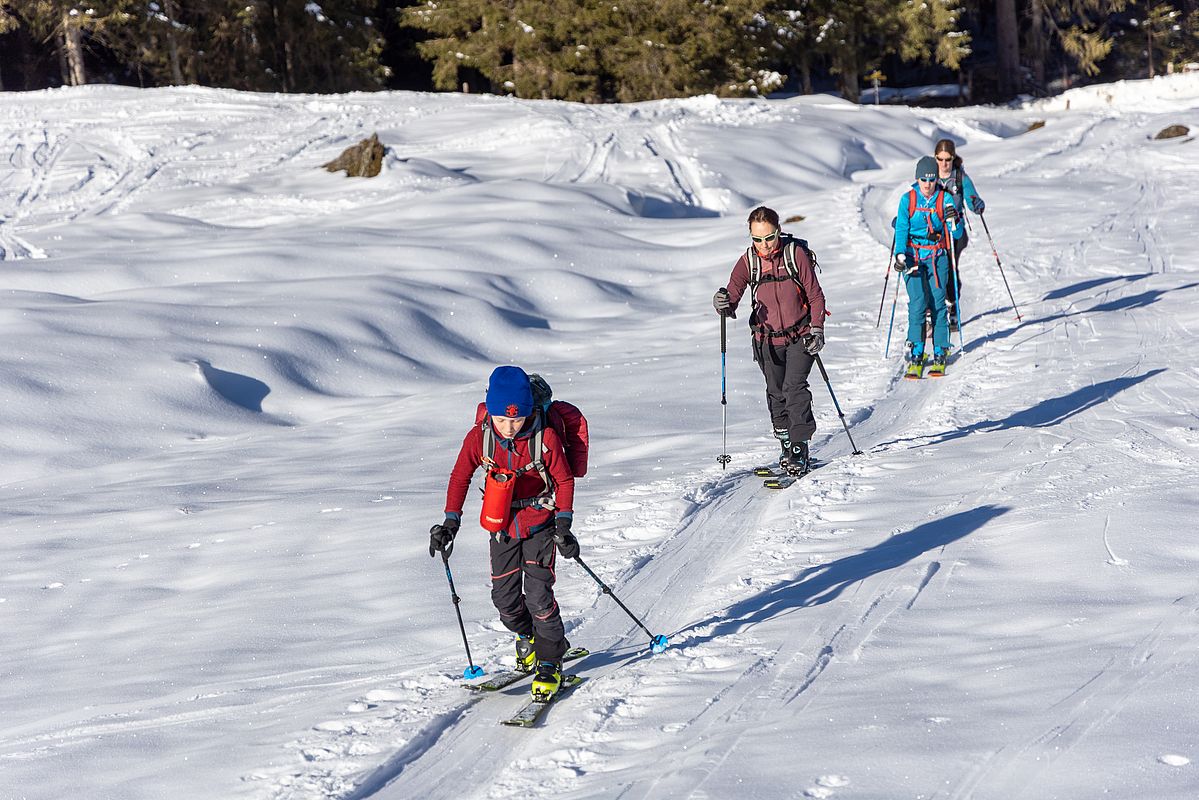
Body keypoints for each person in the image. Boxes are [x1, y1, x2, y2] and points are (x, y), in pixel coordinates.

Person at [428, 365, 579, 699]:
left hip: (541, 523)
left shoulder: (545, 438)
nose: (509, 427)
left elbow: (565, 481)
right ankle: (531, 638)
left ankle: (550, 660)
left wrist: (564, 524)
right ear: (490, 410)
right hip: (502, 527)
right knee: (505, 602)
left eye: (517, 419)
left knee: (539, 596)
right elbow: (459, 476)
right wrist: (451, 522)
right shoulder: (479, 436)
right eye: (501, 420)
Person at [712, 206, 827, 475]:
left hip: (801, 336)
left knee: (794, 388)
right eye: (757, 239)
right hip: (765, 340)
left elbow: (816, 296)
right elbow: (732, 296)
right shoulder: (748, 261)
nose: (764, 245)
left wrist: (817, 329)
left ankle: (799, 448)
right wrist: (722, 303)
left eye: (769, 237)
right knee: (775, 392)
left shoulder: (794, 254)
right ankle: (786, 444)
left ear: (778, 232)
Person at [893, 156, 964, 378]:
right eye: (923, 179)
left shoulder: (945, 199)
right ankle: (916, 351)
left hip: (937, 256)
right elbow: (902, 228)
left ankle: (940, 349)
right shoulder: (908, 199)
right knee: (917, 304)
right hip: (913, 257)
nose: (927, 184)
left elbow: (957, 234)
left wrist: (954, 221)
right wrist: (900, 254)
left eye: (931, 180)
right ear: (917, 178)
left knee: (937, 303)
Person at [933, 139, 986, 329]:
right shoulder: (930, 176)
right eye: (940, 159)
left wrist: (977, 204)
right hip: (934, 232)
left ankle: (952, 306)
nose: (944, 164)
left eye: (948, 159)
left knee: (948, 268)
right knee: (931, 269)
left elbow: (972, 198)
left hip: (955, 232)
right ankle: (933, 309)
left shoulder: (960, 178)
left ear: (953, 158)